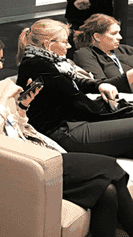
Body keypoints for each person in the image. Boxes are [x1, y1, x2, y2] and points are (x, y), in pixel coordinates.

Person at [0, 31, 133, 237]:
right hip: (22, 159)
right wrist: (4, 99)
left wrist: (22, 107)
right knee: (111, 167)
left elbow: (10, 126)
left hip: (28, 149)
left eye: (2, 60)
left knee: (107, 191)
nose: (0, 66)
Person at [16, 18, 133, 160]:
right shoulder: (37, 65)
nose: (69, 46)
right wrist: (118, 109)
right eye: (65, 42)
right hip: (64, 131)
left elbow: (73, 84)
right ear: (48, 44)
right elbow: (76, 99)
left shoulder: (46, 61)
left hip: (73, 122)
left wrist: (98, 85)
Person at [74, 14, 133, 93]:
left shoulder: (127, 50)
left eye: (119, 32)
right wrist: (130, 76)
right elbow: (99, 85)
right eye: (114, 33)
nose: (120, 37)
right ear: (97, 37)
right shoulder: (85, 54)